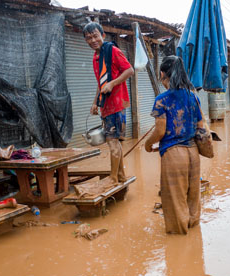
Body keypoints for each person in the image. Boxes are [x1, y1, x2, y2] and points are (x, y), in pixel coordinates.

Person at [144, 55, 203, 234]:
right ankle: (193, 247)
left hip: (174, 155)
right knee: (193, 199)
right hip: (194, 153)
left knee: (175, 204)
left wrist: (148, 144)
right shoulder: (193, 97)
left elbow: (160, 131)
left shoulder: (162, 99)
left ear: (163, 74)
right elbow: (201, 127)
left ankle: (179, 249)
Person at [83, 22, 134, 183]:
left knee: (113, 142)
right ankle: (120, 176)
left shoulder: (112, 50)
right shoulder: (96, 57)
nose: (93, 40)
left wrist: (113, 83)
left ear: (103, 35)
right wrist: (95, 103)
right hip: (106, 105)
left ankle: (113, 177)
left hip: (117, 103)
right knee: (114, 141)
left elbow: (129, 70)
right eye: (89, 38)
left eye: (95, 36)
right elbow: (101, 83)